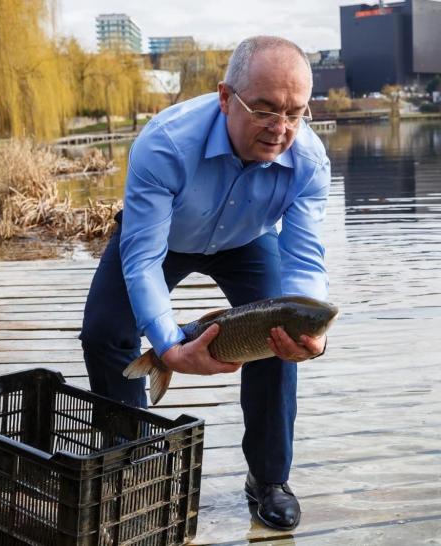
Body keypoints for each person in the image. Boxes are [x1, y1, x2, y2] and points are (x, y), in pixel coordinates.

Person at [79, 35, 330, 531]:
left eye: (295, 113)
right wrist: (169, 346)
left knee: (281, 336)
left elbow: (305, 258)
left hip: (248, 239)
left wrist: (312, 330)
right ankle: (133, 460)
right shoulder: (165, 143)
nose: (280, 130)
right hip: (164, 235)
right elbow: (144, 257)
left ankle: (269, 479)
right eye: (264, 110)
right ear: (224, 97)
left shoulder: (310, 160)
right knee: (105, 333)